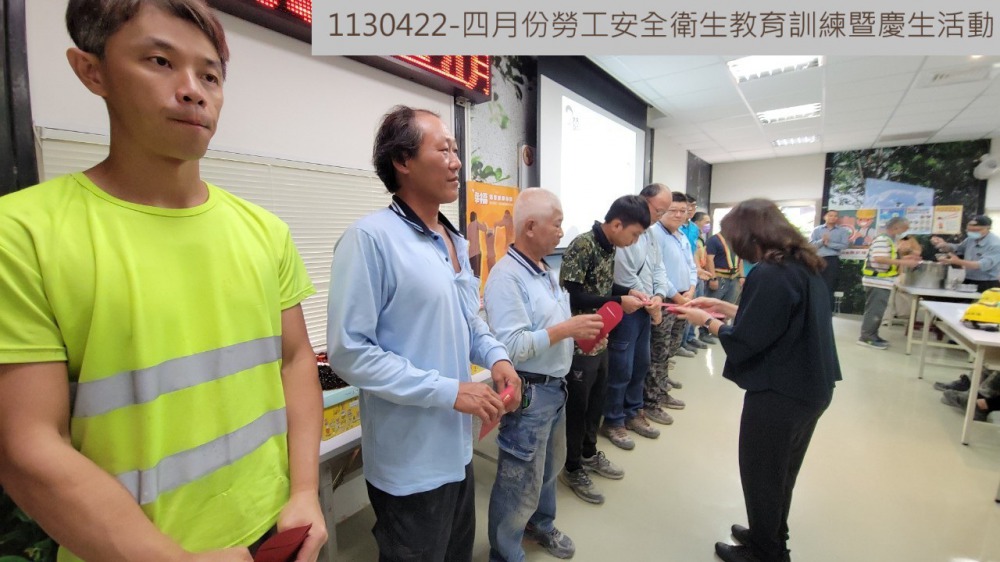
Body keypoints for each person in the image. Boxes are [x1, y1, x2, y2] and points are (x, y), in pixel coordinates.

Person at [0, 2, 328, 560]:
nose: (193, 91)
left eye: (210, 76)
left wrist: (303, 491)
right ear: (92, 71)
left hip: (276, 532)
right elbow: (26, 445)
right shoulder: (24, 234)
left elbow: (295, 361)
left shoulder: (265, 232)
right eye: (160, 61)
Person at [326, 106, 520, 561]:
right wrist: (450, 391)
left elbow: (468, 319)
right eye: (443, 150)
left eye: (456, 150)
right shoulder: (370, 239)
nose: (456, 161)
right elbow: (350, 352)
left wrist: (497, 357)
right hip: (409, 465)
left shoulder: (453, 240)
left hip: (457, 450)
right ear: (403, 161)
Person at [675, 198, 842, 562]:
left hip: (780, 392)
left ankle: (766, 554)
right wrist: (728, 309)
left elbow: (748, 340)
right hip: (810, 386)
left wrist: (707, 321)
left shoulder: (769, 272)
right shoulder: (803, 264)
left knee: (762, 474)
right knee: (782, 472)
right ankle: (769, 534)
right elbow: (779, 318)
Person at [484, 188, 603, 562]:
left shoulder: (544, 270)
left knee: (548, 469)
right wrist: (567, 329)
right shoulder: (506, 278)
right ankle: (505, 553)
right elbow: (511, 346)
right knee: (518, 480)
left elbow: (549, 327)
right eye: (557, 224)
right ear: (531, 227)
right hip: (530, 393)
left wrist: (577, 334)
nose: (562, 232)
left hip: (555, 388)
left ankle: (541, 525)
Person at [557, 195, 649, 504]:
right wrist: (617, 301)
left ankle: (588, 453)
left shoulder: (609, 246)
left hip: (601, 337)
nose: (634, 241)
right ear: (617, 224)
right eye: (634, 234)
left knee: (596, 401)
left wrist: (628, 291)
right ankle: (571, 467)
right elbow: (571, 297)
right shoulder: (583, 245)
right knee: (578, 407)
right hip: (580, 342)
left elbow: (601, 288)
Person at [601, 184, 673, 450]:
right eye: (658, 210)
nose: (659, 216)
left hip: (646, 308)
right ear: (643, 201)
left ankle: (633, 412)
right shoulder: (623, 234)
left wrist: (659, 296)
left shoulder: (650, 234)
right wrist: (650, 303)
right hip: (628, 309)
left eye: (663, 212)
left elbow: (658, 267)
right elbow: (625, 277)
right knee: (621, 367)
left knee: (641, 364)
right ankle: (613, 420)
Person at [645, 191, 698, 425]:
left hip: (684, 300)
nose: (678, 215)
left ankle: (662, 387)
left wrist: (692, 289)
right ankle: (651, 401)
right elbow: (659, 273)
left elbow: (691, 266)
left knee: (671, 348)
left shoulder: (681, 235)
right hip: (666, 302)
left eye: (682, 211)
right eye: (673, 210)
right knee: (658, 351)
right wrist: (677, 296)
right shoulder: (655, 234)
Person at [858, 217, 920, 349]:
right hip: (876, 281)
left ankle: (873, 335)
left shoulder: (891, 241)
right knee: (874, 311)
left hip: (883, 281)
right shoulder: (882, 240)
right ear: (896, 228)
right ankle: (866, 337)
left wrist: (907, 258)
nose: (905, 233)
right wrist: (904, 262)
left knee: (878, 311)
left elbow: (890, 258)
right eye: (904, 229)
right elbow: (879, 258)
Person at [931, 215, 1000, 292]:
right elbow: (958, 249)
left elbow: (980, 265)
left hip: (987, 283)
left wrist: (957, 261)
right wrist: (944, 245)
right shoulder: (970, 239)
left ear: (988, 228)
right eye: (969, 230)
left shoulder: (995, 244)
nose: (972, 233)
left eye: (976, 230)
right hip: (968, 279)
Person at [809, 210, 850, 311]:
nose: (833, 217)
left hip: (832, 260)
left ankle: (827, 310)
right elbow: (811, 245)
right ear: (825, 217)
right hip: (818, 259)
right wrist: (822, 241)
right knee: (815, 284)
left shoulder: (842, 231)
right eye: (830, 215)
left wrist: (829, 244)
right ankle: (814, 309)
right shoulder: (817, 230)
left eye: (835, 216)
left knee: (829, 285)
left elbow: (844, 245)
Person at [706, 231, 744, 305]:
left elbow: (740, 259)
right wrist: (713, 278)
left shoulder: (737, 241)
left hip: (734, 279)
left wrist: (742, 276)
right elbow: (709, 260)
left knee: (729, 306)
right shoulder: (714, 240)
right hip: (719, 279)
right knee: (712, 305)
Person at [467, 211, 487, 277]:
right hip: (476, 252)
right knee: (477, 274)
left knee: (472, 272)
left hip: (470, 253)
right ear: (475, 217)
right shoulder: (476, 223)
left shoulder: (468, 226)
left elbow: (467, 238)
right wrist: (484, 224)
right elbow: (484, 229)